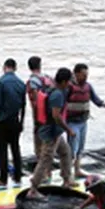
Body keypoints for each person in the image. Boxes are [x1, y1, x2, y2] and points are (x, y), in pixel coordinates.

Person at [64, 63, 105, 179]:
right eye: (83, 75)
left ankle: (77, 170)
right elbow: (60, 105)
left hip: (83, 122)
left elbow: (98, 101)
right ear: (76, 74)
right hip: (72, 123)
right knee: (72, 150)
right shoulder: (68, 88)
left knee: (80, 148)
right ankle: (67, 176)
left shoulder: (88, 87)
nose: (85, 77)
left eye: (87, 75)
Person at [27, 68, 76, 198]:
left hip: (54, 132)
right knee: (46, 159)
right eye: (69, 82)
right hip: (51, 133)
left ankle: (66, 180)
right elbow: (56, 116)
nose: (70, 84)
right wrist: (68, 129)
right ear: (64, 82)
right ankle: (33, 189)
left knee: (65, 152)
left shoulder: (51, 89)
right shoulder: (58, 94)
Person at [0, 59, 27, 186]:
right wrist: (21, 122)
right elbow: (24, 105)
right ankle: (17, 176)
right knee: (16, 149)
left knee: (3, 150)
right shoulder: (21, 83)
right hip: (16, 120)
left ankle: (3, 179)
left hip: (3, 121)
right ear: (15, 68)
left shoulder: (1, 82)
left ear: (4, 67)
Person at [25, 56, 54, 157]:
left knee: (39, 138)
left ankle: (40, 161)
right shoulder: (48, 78)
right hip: (51, 112)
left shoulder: (32, 81)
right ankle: (48, 165)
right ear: (40, 65)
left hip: (39, 114)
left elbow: (35, 99)